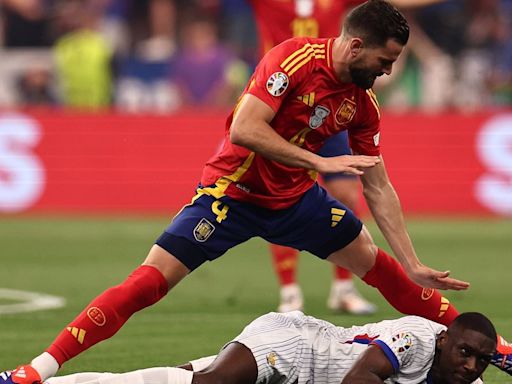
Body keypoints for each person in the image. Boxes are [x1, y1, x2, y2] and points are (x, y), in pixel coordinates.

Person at [2, 1, 511, 383]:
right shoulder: (290, 60)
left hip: (295, 201)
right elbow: (245, 128)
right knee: (146, 284)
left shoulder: (363, 103)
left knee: (388, 271)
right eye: (384, 59)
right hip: (231, 195)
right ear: (355, 46)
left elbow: (377, 182)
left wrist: (414, 260)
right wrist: (319, 162)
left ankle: (502, 349)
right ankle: (36, 371)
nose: (388, 70)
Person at [246, 0, 454, 315]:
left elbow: (391, 4)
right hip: (283, 104)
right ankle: (289, 292)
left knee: (346, 192)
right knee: (281, 195)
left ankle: (343, 288)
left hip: (332, 101)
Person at [30, 311, 496, 384]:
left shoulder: (459, 372)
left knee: (185, 378)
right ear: (444, 337)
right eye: (464, 353)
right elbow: (358, 379)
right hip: (298, 345)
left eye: (481, 361)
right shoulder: (415, 339)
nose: (470, 365)